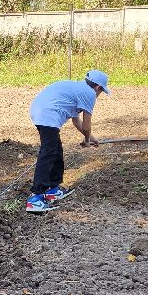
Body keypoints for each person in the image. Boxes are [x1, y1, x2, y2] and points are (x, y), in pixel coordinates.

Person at [25, 70, 112, 213]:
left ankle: (52, 189)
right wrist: (86, 139)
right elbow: (86, 125)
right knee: (48, 153)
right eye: (102, 91)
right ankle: (35, 198)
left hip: (41, 111)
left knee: (56, 150)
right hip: (48, 115)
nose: (99, 94)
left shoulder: (78, 88)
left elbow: (76, 121)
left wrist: (90, 138)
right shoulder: (89, 93)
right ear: (98, 87)